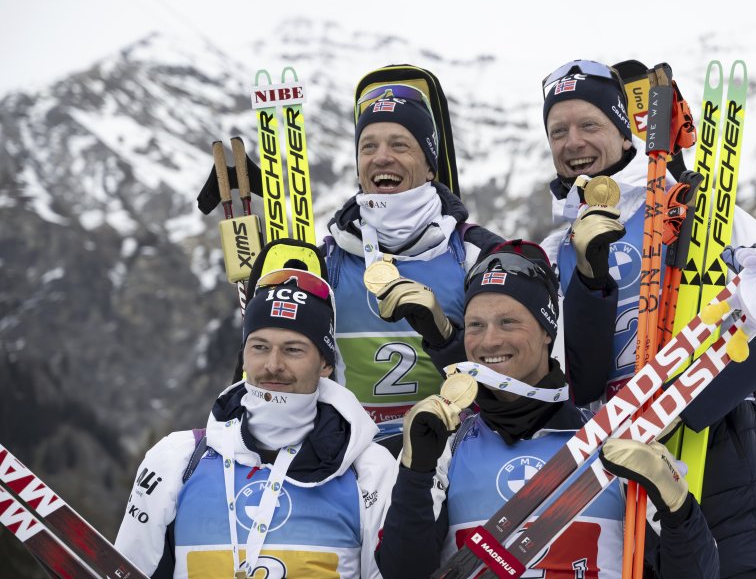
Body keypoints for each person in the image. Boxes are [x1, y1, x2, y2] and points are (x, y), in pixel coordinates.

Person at [538, 60, 756, 578]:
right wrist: (589, 276)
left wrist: (689, 403)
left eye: (589, 125)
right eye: (559, 131)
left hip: (721, 444)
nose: (573, 142)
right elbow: (577, 377)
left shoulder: (704, 212)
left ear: (623, 131)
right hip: (616, 450)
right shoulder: (555, 252)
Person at [376, 245, 719, 578]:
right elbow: (403, 570)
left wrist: (677, 507)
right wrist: (415, 472)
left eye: (508, 322)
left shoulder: (612, 440)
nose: (489, 341)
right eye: (476, 326)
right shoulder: (446, 448)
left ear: (546, 331)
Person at [115, 269, 395, 578]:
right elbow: (129, 569)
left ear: (325, 363)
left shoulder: (368, 469)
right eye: (259, 347)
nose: (273, 365)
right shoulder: (178, 459)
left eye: (293, 349)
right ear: (244, 358)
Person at [324, 78, 503, 449]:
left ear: (430, 166)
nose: (381, 157)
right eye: (368, 146)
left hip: (454, 457)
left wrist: (444, 338)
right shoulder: (327, 260)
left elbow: (509, 380)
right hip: (353, 462)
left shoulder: (476, 255)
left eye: (400, 145)